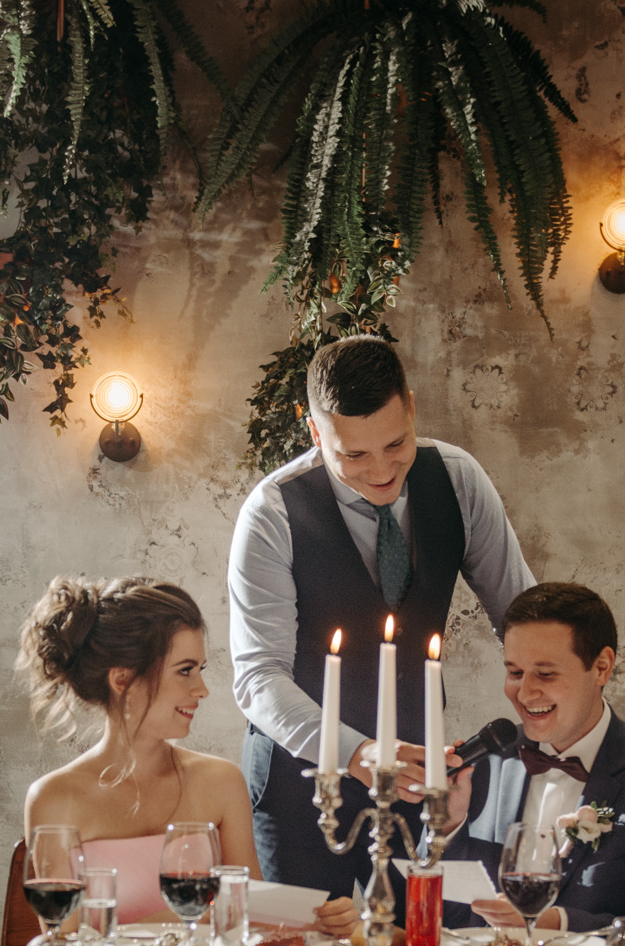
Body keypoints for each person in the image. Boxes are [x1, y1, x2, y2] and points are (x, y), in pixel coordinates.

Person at [228, 334, 534, 901]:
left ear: (412, 408)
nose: (380, 470)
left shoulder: (459, 480)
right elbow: (257, 677)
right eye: (354, 454)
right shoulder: (271, 513)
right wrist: (356, 752)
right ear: (316, 434)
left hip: (419, 779)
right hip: (302, 791)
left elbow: (523, 616)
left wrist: (557, 706)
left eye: (395, 444)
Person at [16, 575, 355, 933]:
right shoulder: (54, 798)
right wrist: (199, 916)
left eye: (200, 670)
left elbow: (256, 918)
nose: (202, 689)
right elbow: (65, 945)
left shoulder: (221, 782)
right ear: (122, 680)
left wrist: (326, 921)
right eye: (185, 671)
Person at [441, 583, 625, 932]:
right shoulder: (484, 763)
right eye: (514, 672)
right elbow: (444, 922)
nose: (524, 693)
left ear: (601, 667)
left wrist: (557, 923)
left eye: (545, 673)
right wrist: (447, 827)